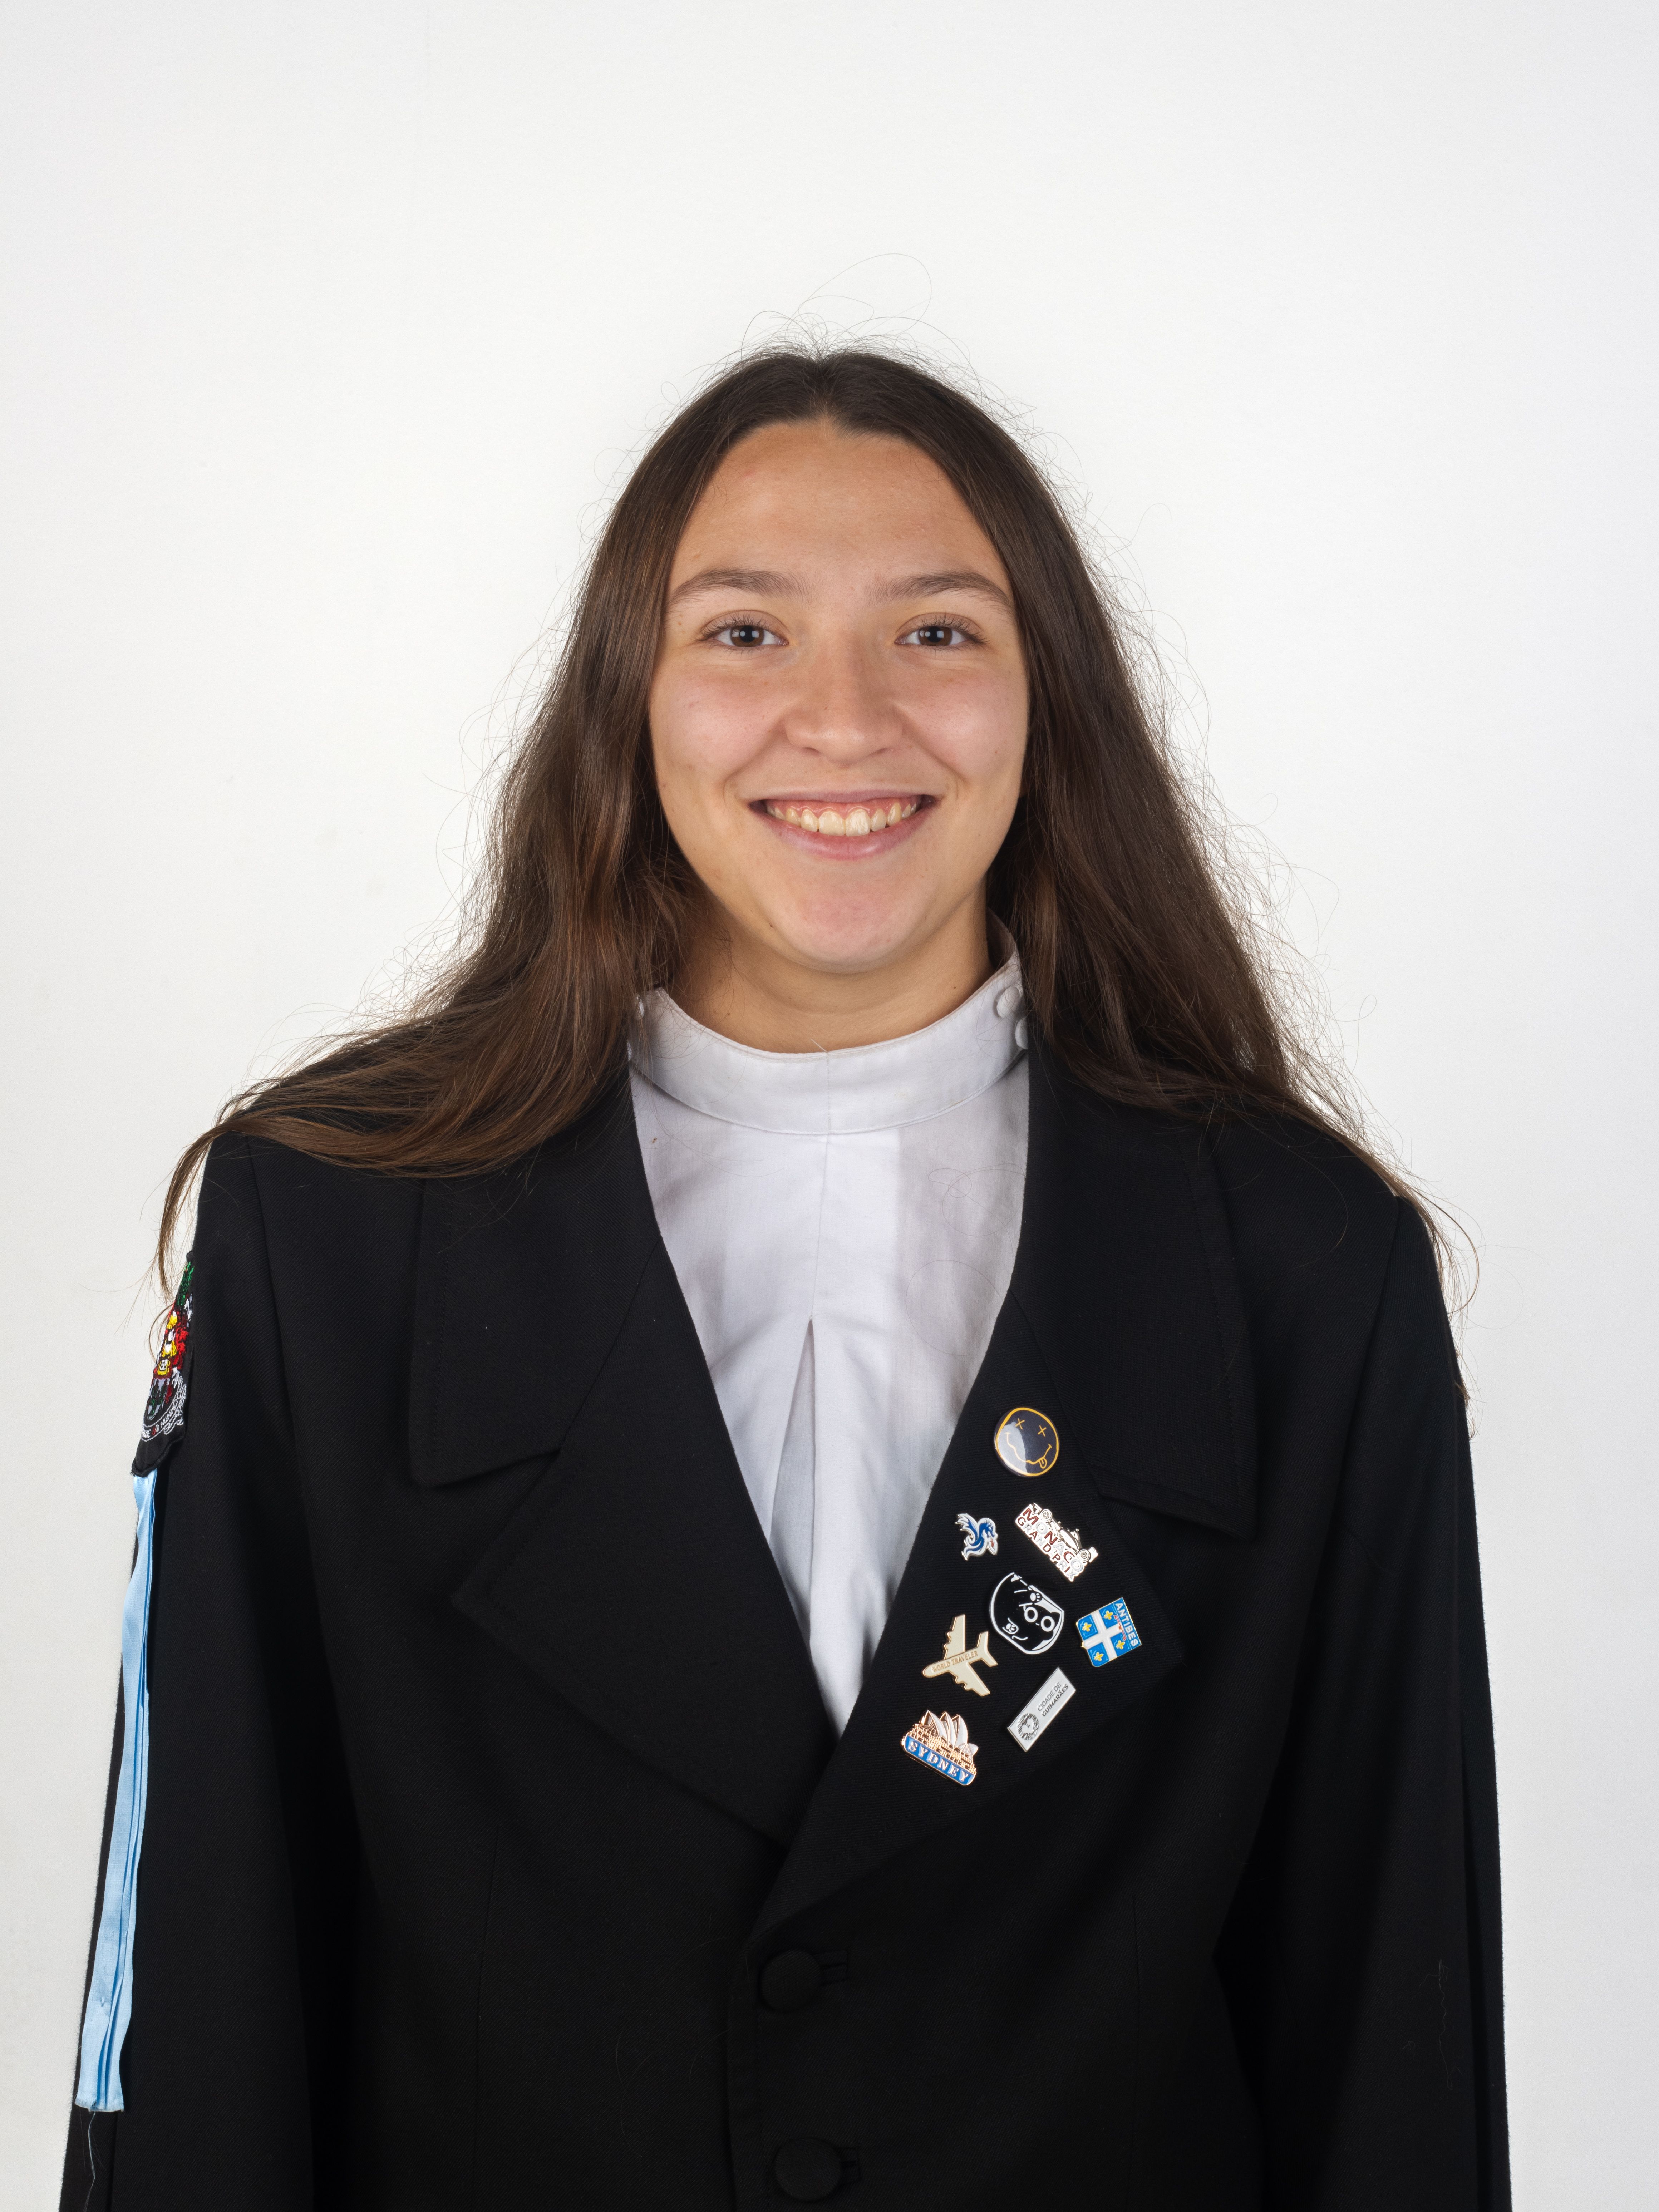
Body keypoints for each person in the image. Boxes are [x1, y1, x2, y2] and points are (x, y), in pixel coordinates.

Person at [60, 347, 1508, 2211]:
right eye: (746, 633)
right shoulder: (328, 1236)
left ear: (1050, 698)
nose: (844, 719)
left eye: (938, 633)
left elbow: (1394, 2026)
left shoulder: (1302, 1271)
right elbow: (194, 1979)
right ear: (629, 697)